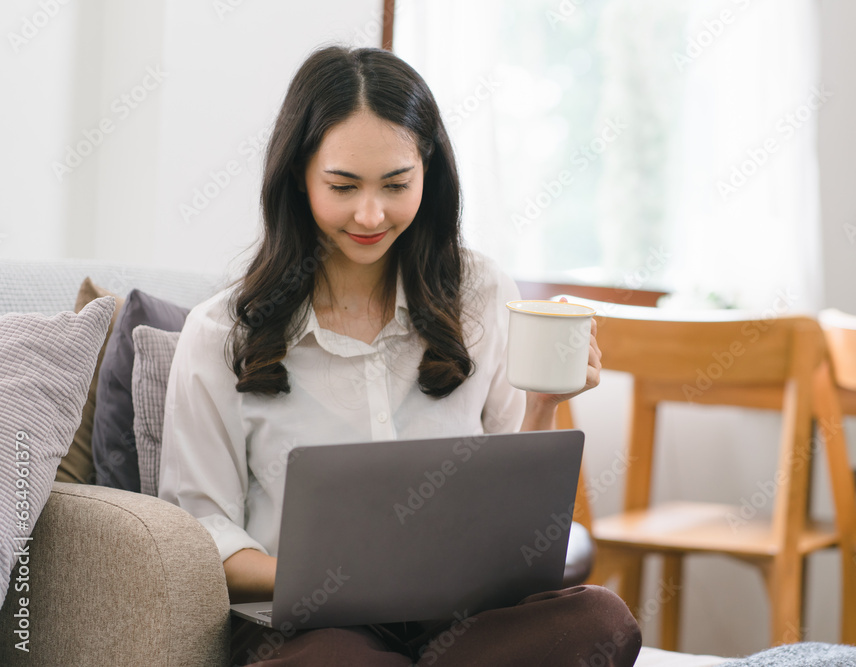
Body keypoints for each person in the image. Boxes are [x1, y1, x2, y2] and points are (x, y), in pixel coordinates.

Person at [158, 45, 641, 666]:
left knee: (601, 622)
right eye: (342, 186)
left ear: (428, 173)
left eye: (395, 185)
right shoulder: (221, 332)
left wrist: (544, 402)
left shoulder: (482, 294)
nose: (369, 214)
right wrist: (338, 578)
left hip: (460, 620)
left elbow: (514, 521)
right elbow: (205, 536)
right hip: (308, 628)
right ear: (298, 176)